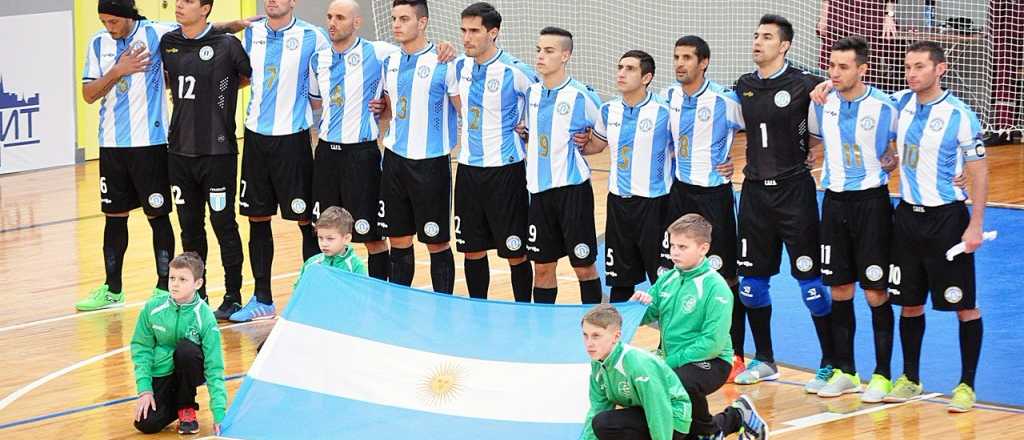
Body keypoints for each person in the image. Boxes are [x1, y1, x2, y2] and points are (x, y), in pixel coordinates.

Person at [882, 40, 988, 413]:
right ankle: (910, 378)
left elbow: (979, 171)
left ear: (939, 69)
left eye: (919, 67)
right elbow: (862, 97)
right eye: (908, 67)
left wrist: (975, 225)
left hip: (948, 220)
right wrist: (825, 85)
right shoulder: (899, 103)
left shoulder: (960, 115)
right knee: (909, 304)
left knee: (964, 305)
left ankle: (966, 385)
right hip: (907, 218)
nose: (911, 73)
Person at [732, 14, 836, 391]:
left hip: (795, 193)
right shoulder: (741, 85)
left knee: (811, 284)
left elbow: (832, 119)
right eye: (756, 35)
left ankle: (830, 361)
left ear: (785, 45)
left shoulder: (807, 84)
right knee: (751, 286)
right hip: (755, 193)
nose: (758, 42)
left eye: (767, 37)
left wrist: (810, 148)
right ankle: (764, 360)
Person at [806, 36, 898, 402]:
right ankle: (846, 371)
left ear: (863, 69)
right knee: (839, 289)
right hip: (834, 203)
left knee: (875, 291)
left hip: (872, 205)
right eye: (832, 66)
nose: (835, 72)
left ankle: (883, 376)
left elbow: (905, 146)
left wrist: (892, 160)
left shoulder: (884, 106)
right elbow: (812, 144)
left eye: (843, 67)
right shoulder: (823, 100)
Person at [76, 0, 179, 311]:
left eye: (113, 21)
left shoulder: (157, 33)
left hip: (150, 144)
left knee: (158, 215)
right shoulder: (97, 43)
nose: (109, 26)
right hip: (111, 146)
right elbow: (89, 94)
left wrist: (238, 25)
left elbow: (202, 30)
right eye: (104, 21)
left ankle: (164, 286)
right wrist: (117, 70)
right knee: (114, 216)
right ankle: (112, 289)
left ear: (128, 16)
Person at [230, 0, 330, 322]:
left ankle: (315, 297)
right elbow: (239, 76)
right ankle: (262, 299)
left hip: (293, 140)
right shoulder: (249, 35)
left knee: (306, 221)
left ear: (292, 2)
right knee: (257, 219)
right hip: (256, 139)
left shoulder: (313, 37)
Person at [630, 214, 768, 440]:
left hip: (713, 361)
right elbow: (649, 314)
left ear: (703, 248)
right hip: (676, 358)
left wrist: (667, 362)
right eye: (672, 245)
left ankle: (717, 427)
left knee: (682, 379)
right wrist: (638, 306)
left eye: (682, 246)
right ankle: (730, 420)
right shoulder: (667, 279)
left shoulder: (716, 288)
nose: (674, 252)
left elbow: (712, 344)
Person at [663, 35, 747, 382]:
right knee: (677, 270)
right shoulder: (668, 97)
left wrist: (737, 161)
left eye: (687, 58)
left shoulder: (725, 101)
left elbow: (755, 129)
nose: (680, 63)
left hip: (714, 196)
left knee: (725, 277)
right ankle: (675, 347)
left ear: (704, 62)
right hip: (680, 193)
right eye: (677, 57)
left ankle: (735, 353)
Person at [160, 0, 251, 319]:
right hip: (180, 154)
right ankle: (196, 294)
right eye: (178, 2)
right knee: (189, 229)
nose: (179, 6)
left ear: (206, 8)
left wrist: (219, 95)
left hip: (218, 154)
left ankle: (233, 295)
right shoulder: (168, 43)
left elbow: (245, 77)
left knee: (223, 224)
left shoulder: (228, 45)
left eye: (187, 2)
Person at [452, 2, 537, 301]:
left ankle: (524, 310)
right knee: (471, 248)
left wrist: (530, 129)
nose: (466, 38)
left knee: (515, 250)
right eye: (463, 30)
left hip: (506, 171)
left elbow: (546, 102)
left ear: (493, 32)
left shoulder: (516, 71)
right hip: (467, 170)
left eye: (474, 31)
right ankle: (479, 309)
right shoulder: (458, 66)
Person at [376, 0, 460, 294]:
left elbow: (463, 110)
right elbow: (389, 109)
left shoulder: (445, 62)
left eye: (404, 19)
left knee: (436, 241)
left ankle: (443, 307)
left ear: (422, 23)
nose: (396, 24)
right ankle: (399, 307)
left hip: (431, 163)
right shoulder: (390, 61)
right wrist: (381, 109)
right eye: (394, 18)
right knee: (398, 239)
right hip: (395, 160)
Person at [308, 0, 394, 281]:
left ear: (357, 22)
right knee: (323, 231)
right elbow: (316, 102)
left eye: (340, 17)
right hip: (326, 156)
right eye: (330, 16)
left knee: (371, 233)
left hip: (362, 156)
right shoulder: (317, 59)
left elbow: (416, 53)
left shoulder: (379, 53)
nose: (332, 22)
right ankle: (325, 294)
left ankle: (381, 293)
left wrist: (444, 48)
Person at [522, 27, 602, 304]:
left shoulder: (582, 96)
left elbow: (602, 137)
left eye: (549, 51)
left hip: (572, 193)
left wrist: (588, 143)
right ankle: (543, 333)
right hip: (539, 193)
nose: (541, 56)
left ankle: (594, 328)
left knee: (583, 266)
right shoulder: (531, 93)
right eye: (539, 50)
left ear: (566, 55)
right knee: (542, 268)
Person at [587, 50, 673, 303]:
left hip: (654, 205)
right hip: (618, 205)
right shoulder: (608, 110)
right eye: (620, 67)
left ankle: (667, 343)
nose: (621, 73)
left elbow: (684, 149)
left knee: (663, 282)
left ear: (647, 77)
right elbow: (594, 146)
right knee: (620, 281)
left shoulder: (664, 112)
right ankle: (618, 342)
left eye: (630, 69)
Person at [131, 252, 225, 435]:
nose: (174, 284)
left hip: (190, 366)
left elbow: (215, 367)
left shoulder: (205, 317)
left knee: (185, 350)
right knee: (146, 424)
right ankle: (174, 403)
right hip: (163, 371)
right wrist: (145, 390)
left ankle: (186, 407)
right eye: (172, 277)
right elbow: (141, 348)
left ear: (198, 284)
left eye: (183, 279)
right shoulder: (152, 308)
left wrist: (219, 413)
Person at [580, 304, 690, 440]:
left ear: (616, 336)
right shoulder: (598, 364)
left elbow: (658, 409)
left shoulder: (637, 363)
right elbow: (598, 408)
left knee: (606, 424)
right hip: (644, 413)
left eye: (596, 336)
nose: (589, 343)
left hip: (672, 420)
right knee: (601, 423)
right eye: (585, 335)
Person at [816, 0, 899, 91]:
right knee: (837, 64)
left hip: (870, 17)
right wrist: (824, 16)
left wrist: (889, 15)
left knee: (867, 68)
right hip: (839, 14)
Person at [296, 206, 367, 284]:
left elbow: (362, 293)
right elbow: (299, 289)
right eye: (320, 238)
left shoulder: (356, 266)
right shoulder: (311, 263)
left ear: (346, 238)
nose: (324, 244)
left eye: (330, 239)